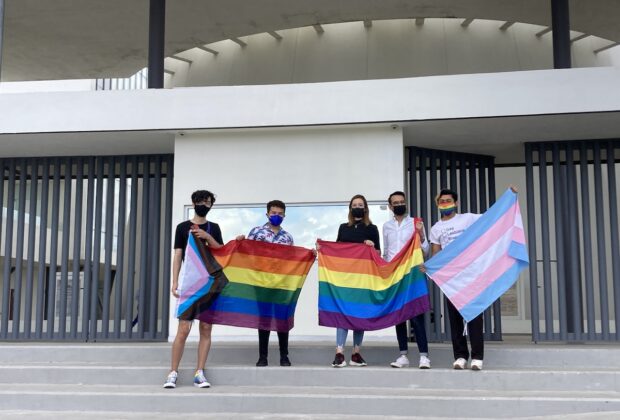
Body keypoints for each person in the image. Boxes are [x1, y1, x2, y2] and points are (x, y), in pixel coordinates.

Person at [164, 190, 224, 389]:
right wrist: (174, 281)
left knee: (206, 328)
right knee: (183, 330)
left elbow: (221, 252)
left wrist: (207, 236)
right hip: (189, 284)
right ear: (193, 202)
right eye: (201, 201)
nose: (204, 205)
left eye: (208, 202)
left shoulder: (214, 227)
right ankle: (173, 372)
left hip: (210, 284)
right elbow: (177, 254)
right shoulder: (182, 227)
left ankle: (199, 372)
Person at [428, 188, 484, 371]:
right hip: (451, 280)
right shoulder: (436, 228)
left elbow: (493, 217)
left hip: (471, 275)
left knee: (474, 315)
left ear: (456, 203)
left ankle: (477, 357)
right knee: (455, 319)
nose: (445, 203)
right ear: (438, 205)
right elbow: (436, 254)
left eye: (448, 200)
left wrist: (510, 196)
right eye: (441, 201)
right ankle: (460, 356)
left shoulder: (468, 218)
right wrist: (429, 266)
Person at [237, 200, 295, 367]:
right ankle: (263, 357)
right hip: (261, 282)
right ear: (267, 214)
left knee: (281, 317)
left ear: (284, 215)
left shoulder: (287, 237)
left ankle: (284, 356)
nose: (276, 216)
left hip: (281, 283)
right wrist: (240, 242)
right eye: (273, 213)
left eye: (280, 213)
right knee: (264, 319)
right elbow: (246, 253)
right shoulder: (256, 232)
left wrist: (309, 255)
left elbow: (292, 260)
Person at [382, 191, 431, 369]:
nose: (399, 204)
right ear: (390, 206)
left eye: (401, 201)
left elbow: (425, 251)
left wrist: (421, 234)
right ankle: (403, 355)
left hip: (412, 274)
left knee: (417, 314)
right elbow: (387, 253)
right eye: (395, 203)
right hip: (395, 275)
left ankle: (424, 356)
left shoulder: (416, 222)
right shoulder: (386, 226)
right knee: (399, 316)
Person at [331, 194, 380, 368]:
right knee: (343, 314)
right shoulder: (343, 228)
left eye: (360, 204)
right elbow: (335, 250)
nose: (357, 207)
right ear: (350, 208)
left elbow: (379, 256)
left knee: (360, 315)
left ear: (365, 208)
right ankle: (339, 353)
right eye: (354, 204)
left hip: (363, 278)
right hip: (345, 278)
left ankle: (356, 354)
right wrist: (322, 249)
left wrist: (372, 247)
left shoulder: (372, 229)